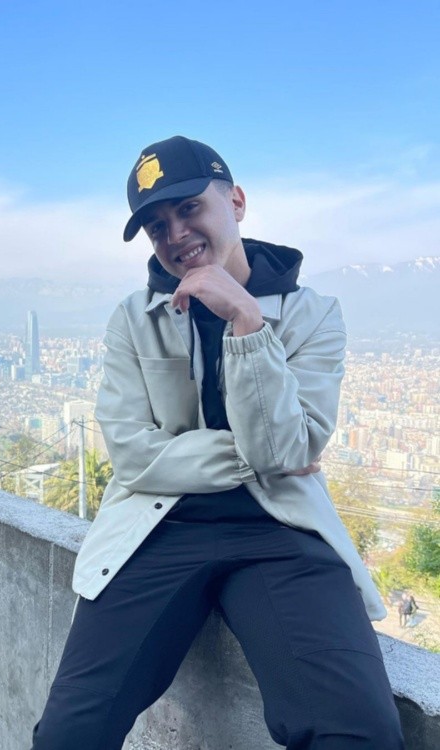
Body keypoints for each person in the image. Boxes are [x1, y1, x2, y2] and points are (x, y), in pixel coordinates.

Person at [31, 136, 404, 749]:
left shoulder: (313, 315)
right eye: (156, 226)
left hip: (279, 529)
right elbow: (132, 455)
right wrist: (254, 456)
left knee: (357, 731)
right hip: (158, 525)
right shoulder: (134, 318)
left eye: (188, 209)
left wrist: (247, 323)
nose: (175, 234)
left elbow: (282, 455)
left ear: (236, 201)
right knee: (70, 733)